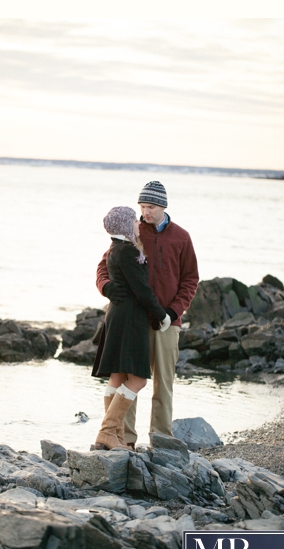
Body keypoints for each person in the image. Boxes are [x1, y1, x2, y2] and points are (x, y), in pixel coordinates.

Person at [96, 181, 199, 448]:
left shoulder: (181, 237)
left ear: (163, 206)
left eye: (150, 206)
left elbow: (190, 279)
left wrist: (173, 311)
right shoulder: (131, 231)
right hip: (134, 320)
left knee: (163, 385)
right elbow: (105, 265)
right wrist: (106, 288)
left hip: (167, 322)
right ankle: (125, 439)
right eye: (142, 206)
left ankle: (161, 440)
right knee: (130, 379)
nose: (145, 212)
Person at [91, 206, 170, 450]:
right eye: (133, 219)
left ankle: (117, 437)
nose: (138, 222)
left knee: (117, 375)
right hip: (129, 318)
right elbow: (142, 290)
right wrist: (161, 315)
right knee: (138, 380)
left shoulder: (118, 249)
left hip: (117, 316)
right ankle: (107, 432)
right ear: (125, 225)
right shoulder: (125, 251)